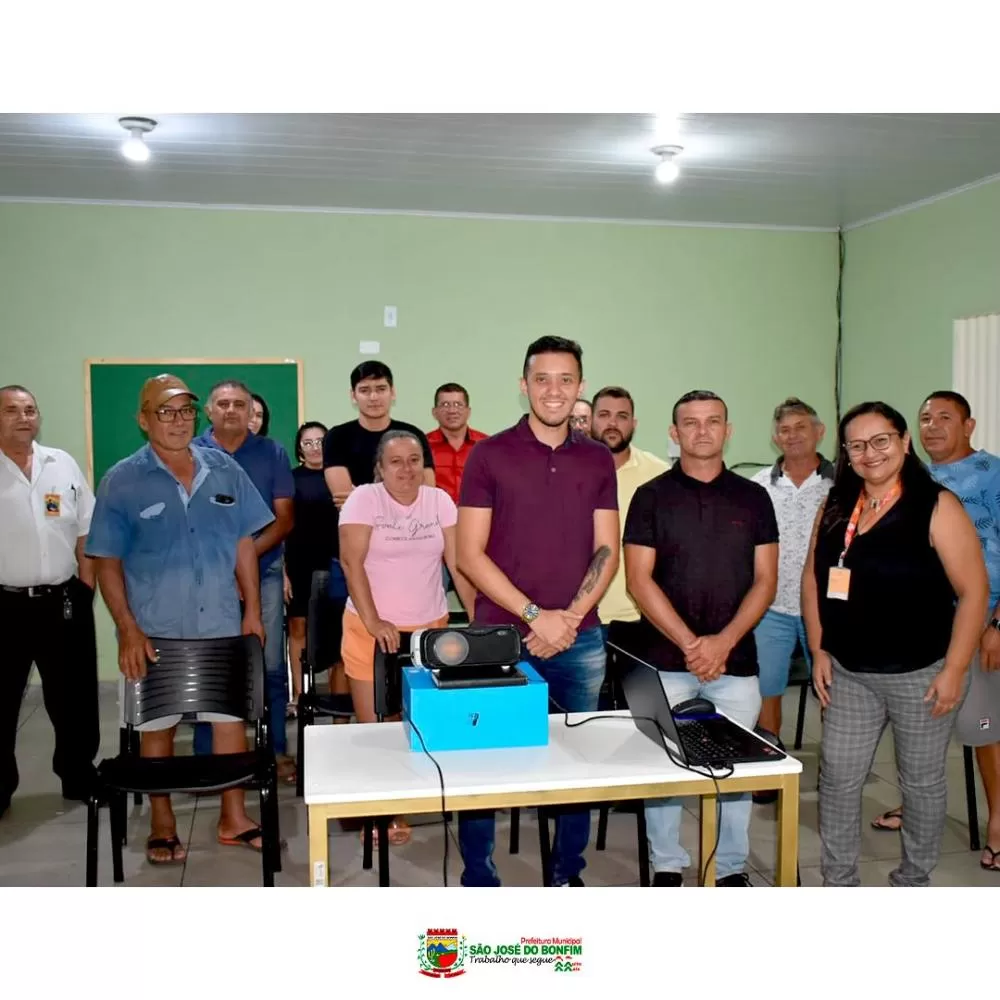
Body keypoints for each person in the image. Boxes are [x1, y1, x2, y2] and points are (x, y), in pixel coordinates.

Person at [86, 374, 274, 863]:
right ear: (143, 419)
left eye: (185, 411)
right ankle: (163, 823)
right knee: (159, 728)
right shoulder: (121, 480)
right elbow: (106, 559)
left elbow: (242, 544)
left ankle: (234, 817)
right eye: (165, 412)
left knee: (230, 721)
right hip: (155, 631)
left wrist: (251, 611)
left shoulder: (225, 468)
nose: (177, 421)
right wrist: (127, 628)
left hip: (220, 624)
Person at [802, 401, 987, 887]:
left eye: (881, 440)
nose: (870, 453)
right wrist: (820, 649)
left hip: (923, 674)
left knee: (921, 785)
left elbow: (974, 592)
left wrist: (954, 669)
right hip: (849, 672)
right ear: (845, 452)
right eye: (857, 445)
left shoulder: (936, 504)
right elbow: (812, 578)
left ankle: (912, 881)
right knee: (838, 780)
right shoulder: (837, 502)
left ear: (904, 442)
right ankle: (838, 881)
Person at [456, 335, 619, 886]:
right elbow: (468, 554)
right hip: (498, 639)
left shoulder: (597, 458)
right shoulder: (489, 454)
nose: (554, 390)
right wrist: (533, 615)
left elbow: (607, 550)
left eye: (566, 379)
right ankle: (479, 877)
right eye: (542, 379)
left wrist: (567, 619)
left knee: (574, 768)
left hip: (580, 639)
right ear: (524, 385)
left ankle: (564, 877)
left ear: (580, 388)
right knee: (483, 765)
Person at [622, 390, 778, 887]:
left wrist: (723, 643)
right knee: (664, 768)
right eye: (690, 423)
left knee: (734, 771)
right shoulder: (650, 496)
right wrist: (694, 644)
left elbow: (766, 580)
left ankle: (730, 868)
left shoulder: (753, 497)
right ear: (674, 433)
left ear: (728, 430)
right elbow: (638, 579)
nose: (702, 431)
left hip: (736, 661)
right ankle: (666, 863)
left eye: (713, 421)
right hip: (666, 660)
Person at [869, 391, 1000, 872]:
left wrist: (998, 624)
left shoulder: (993, 473)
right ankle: (916, 805)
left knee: (985, 728)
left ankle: (998, 825)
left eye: (944, 417)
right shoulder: (909, 478)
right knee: (914, 722)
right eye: (925, 418)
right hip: (917, 625)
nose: (932, 426)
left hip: (979, 621)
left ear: (969, 425)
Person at [339, 429, 476, 845]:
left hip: (428, 629)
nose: (406, 469)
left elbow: (458, 562)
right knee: (375, 728)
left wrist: (477, 615)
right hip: (370, 628)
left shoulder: (439, 501)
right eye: (395, 461)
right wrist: (375, 619)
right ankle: (376, 813)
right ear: (380, 468)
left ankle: (402, 805)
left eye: (414, 460)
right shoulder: (365, 498)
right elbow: (351, 561)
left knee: (415, 725)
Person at [0, 385, 99, 819]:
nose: (23, 417)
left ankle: (78, 775)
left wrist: (85, 587)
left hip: (63, 599)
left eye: (29, 410)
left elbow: (85, 529)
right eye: (11, 411)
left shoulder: (62, 463)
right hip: (4, 605)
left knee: (74, 697)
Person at [195, 380, 296, 782]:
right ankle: (207, 758)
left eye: (240, 404)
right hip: (208, 578)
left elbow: (284, 518)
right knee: (209, 665)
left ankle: (275, 752)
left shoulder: (271, 452)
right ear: (209, 410)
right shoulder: (192, 453)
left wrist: (245, 560)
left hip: (266, 570)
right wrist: (230, 565)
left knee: (268, 665)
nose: (231, 410)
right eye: (223, 404)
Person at [750, 398, 833, 800]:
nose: (793, 435)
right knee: (767, 685)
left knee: (832, 688)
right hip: (772, 607)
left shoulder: (843, 484)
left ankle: (838, 769)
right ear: (774, 436)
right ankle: (769, 760)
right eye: (784, 429)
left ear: (819, 432)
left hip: (828, 609)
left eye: (801, 427)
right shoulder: (759, 486)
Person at [590, 386, 669, 635]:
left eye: (622, 416)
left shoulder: (659, 474)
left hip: (641, 616)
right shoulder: (566, 472)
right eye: (604, 415)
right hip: (580, 619)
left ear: (633, 423)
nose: (612, 423)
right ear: (590, 419)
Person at [283, 421, 346, 714]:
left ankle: (340, 700)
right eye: (307, 442)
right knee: (298, 627)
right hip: (299, 562)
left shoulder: (342, 477)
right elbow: (280, 526)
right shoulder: (289, 479)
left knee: (338, 631)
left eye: (320, 441)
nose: (314, 447)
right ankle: (300, 695)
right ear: (299, 448)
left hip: (336, 562)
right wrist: (282, 571)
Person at [323, 361, 435, 511]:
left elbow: (426, 494)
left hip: (409, 530)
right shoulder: (336, 437)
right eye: (364, 390)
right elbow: (346, 503)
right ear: (353, 395)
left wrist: (361, 496)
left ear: (392, 392)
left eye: (381, 389)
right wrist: (400, 498)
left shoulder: (413, 436)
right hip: (356, 530)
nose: (374, 397)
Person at [426, 382, 487, 506]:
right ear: (434, 412)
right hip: (435, 519)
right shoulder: (422, 446)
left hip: (476, 517)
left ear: (468, 411)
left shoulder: (486, 445)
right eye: (445, 405)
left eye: (458, 405)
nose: (452, 410)